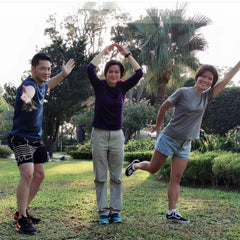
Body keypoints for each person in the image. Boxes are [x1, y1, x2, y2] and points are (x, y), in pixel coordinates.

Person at [125, 61, 240, 224]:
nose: (206, 80)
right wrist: (158, 125)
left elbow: (227, 79)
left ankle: (172, 211)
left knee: (176, 177)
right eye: (203, 76)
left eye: (210, 79)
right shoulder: (183, 92)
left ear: (212, 83)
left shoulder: (207, 97)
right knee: (153, 168)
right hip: (169, 138)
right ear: (197, 77)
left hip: (186, 143)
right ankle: (135, 165)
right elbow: (164, 107)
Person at [8, 53, 75, 234]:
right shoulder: (29, 85)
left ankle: (21, 211)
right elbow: (28, 91)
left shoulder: (41, 85)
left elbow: (47, 85)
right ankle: (22, 219)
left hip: (36, 138)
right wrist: (27, 97)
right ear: (33, 69)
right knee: (28, 174)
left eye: (48, 69)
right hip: (20, 136)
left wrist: (62, 75)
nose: (46, 72)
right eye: (42, 69)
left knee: (39, 175)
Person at [87, 43, 143, 224]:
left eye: (117, 72)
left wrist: (127, 55)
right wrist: (103, 52)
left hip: (117, 136)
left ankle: (115, 211)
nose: (113, 74)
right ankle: (103, 211)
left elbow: (139, 73)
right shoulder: (99, 85)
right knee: (100, 176)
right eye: (110, 71)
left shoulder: (122, 87)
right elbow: (90, 68)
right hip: (99, 135)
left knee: (116, 176)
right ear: (106, 73)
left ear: (120, 75)